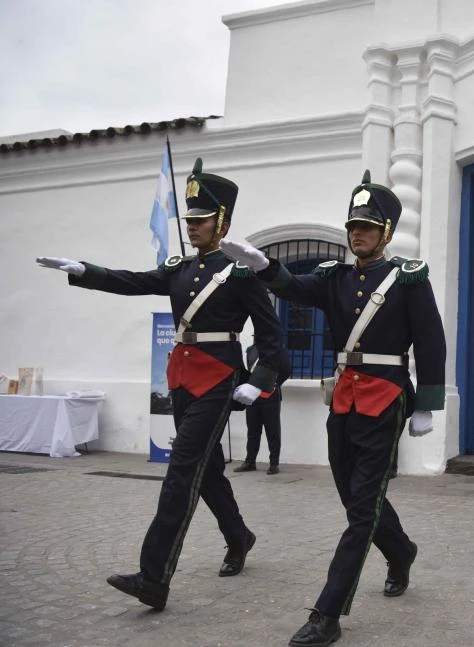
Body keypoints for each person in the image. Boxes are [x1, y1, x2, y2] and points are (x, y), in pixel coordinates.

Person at [36, 158, 283, 610]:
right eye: (189, 220)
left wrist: (261, 380)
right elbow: (132, 281)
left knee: (181, 472)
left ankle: (154, 577)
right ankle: (240, 535)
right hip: (183, 377)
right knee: (205, 472)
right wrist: (84, 270)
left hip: (219, 377)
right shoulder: (180, 269)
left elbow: (272, 334)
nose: (193, 227)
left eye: (201, 220)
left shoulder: (242, 273)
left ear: (222, 221)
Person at [219, 170, 446, 647]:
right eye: (352, 226)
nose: (357, 233)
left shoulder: (407, 279)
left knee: (362, 507)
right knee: (354, 497)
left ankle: (327, 614)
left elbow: (430, 343)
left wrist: (428, 403)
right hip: (344, 396)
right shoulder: (333, 278)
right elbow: (293, 288)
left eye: (366, 226)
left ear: (385, 232)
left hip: (386, 398)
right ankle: (401, 550)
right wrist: (263, 265)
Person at [234, 341, 292, 475]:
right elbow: (249, 370)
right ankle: (250, 461)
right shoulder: (250, 350)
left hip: (270, 394)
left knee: (272, 431)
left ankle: (273, 463)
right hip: (253, 396)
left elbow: (286, 370)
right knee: (253, 430)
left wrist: (275, 384)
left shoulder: (277, 350)